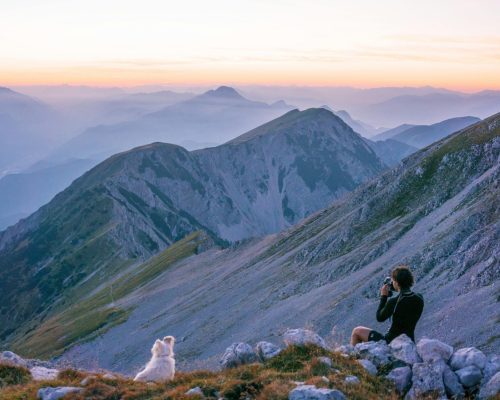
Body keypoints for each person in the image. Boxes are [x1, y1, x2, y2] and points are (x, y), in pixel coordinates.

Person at [350, 265, 424, 346]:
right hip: (409, 342)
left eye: (393, 281)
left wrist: (383, 297)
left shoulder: (394, 302)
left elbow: (379, 317)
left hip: (390, 342)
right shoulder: (419, 298)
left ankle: (352, 358)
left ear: (396, 282)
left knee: (356, 331)